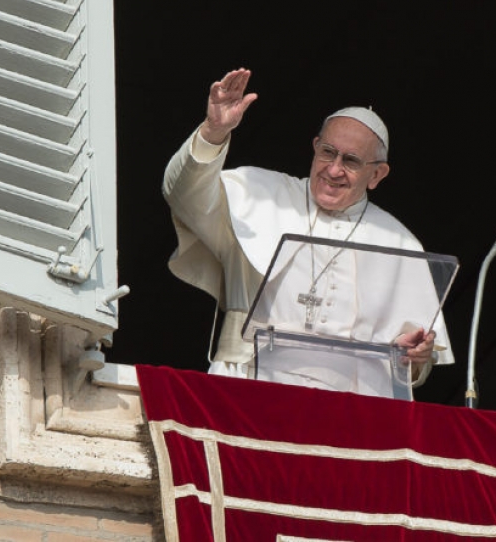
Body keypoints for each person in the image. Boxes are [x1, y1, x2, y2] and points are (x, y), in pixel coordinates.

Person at [163, 68, 453, 398]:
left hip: (347, 411)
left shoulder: (398, 242)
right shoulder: (260, 193)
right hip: (246, 388)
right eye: (328, 152)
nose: (333, 169)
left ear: (377, 175)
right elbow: (183, 194)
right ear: (315, 147)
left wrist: (412, 359)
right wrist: (213, 132)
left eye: (351, 161)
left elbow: (415, 365)